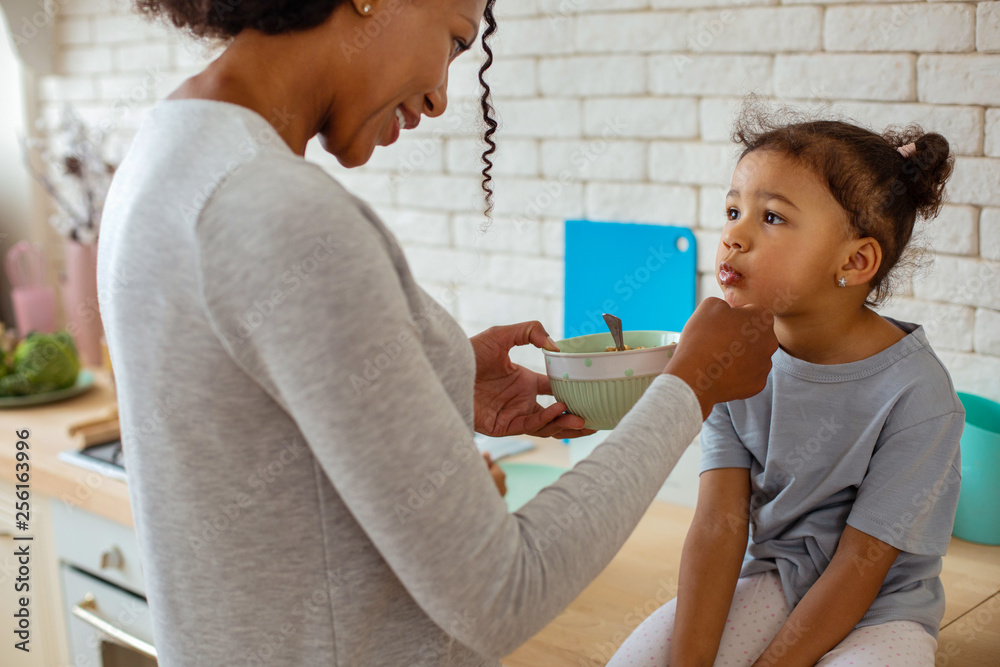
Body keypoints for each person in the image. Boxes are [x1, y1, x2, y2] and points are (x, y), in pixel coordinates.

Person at [96, 1, 778, 665]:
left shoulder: (169, 155)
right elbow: (501, 593)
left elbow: (263, 431)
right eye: (454, 40)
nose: (440, 98)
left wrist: (431, 378)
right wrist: (690, 385)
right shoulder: (282, 212)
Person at [608, 104, 964, 667]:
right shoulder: (732, 360)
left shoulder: (919, 396)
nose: (733, 235)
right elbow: (718, 525)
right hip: (775, 580)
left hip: (882, 611)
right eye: (733, 210)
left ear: (856, 260)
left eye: (771, 217)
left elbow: (863, 565)